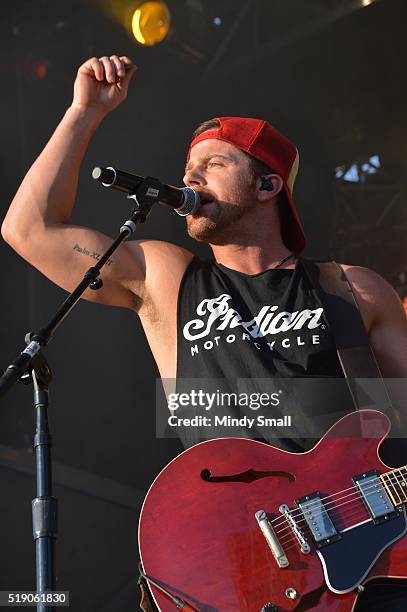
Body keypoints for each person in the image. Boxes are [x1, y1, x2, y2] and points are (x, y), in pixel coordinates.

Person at [2, 55, 407, 610]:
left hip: (361, 558)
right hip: (226, 558)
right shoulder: (167, 280)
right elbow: (30, 229)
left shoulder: (353, 290)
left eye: (213, 164)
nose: (188, 178)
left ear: (268, 185)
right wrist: (83, 113)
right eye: (188, 166)